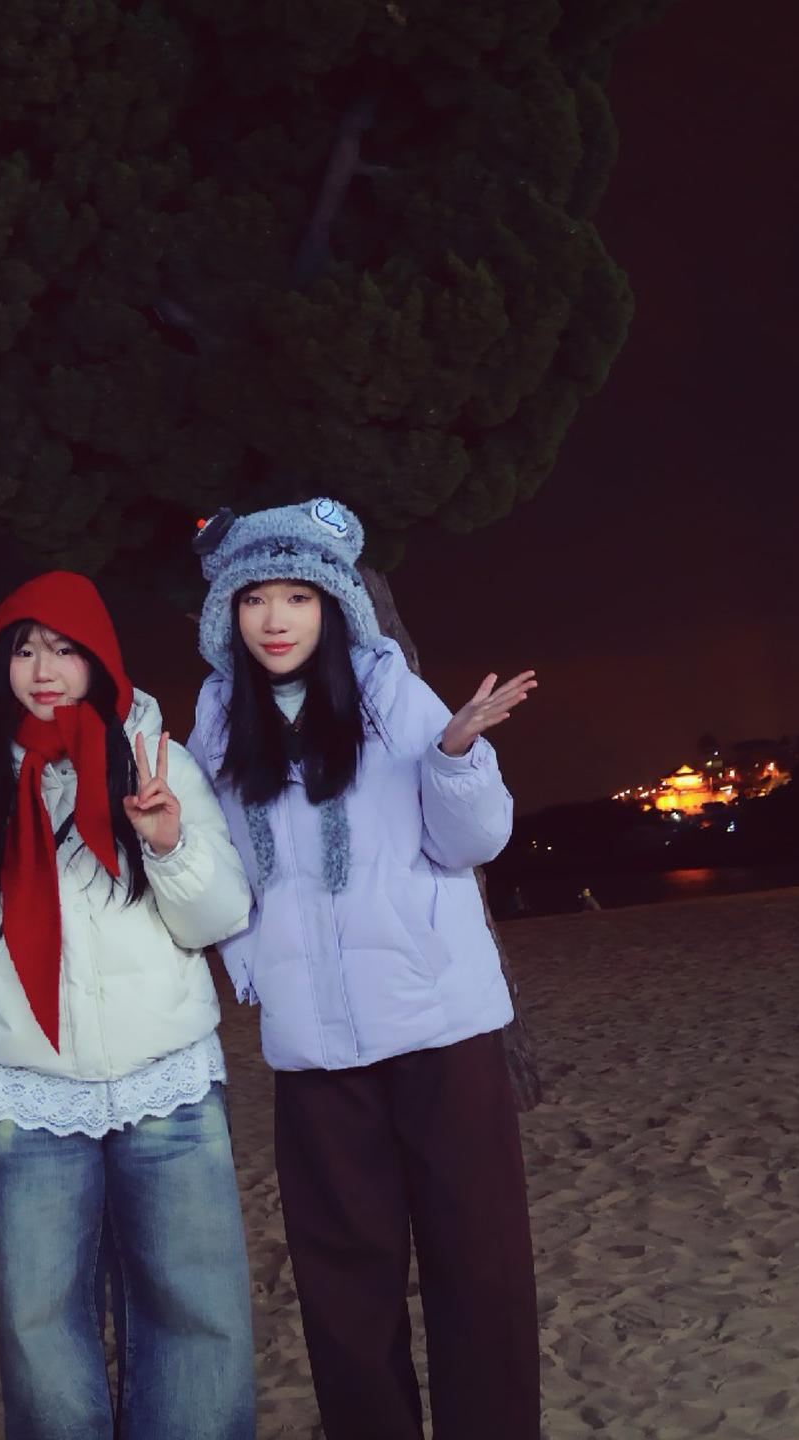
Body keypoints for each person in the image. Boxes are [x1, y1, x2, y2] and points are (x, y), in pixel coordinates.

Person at [188, 500, 540, 1440]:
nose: (274, 619)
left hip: (443, 1029)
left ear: (334, 604)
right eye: (253, 598)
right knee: (343, 1287)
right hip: (314, 1051)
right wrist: (252, 969)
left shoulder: (391, 693)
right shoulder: (217, 724)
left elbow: (468, 844)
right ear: (227, 613)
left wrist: (457, 754)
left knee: (479, 1267)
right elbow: (218, 876)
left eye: (297, 596)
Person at [0, 572, 258, 1440]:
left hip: (165, 1081)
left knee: (196, 1308)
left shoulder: (157, 759)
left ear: (97, 659)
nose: (44, 669)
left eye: (63, 648)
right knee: (39, 1324)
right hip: (31, 1091)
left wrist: (168, 842)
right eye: (25, 650)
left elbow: (218, 917)